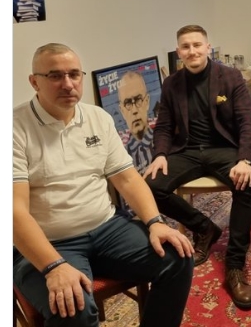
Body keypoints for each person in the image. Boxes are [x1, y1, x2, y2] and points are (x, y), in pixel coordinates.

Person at [13, 43, 194, 327]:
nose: (68, 84)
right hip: (48, 242)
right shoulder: (13, 128)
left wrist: (155, 222)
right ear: (34, 81)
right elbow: (14, 211)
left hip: (107, 229)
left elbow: (128, 178)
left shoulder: (98, 117)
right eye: (55, 76)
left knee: (178, 257)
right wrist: (54, 266)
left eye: (74, 74)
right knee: (72, 307)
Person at [144, 24, 251, 310]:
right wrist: (160, 154)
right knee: (150, 186)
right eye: (186, 46)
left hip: (224, 149)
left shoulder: (230, 77)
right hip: (187, 150)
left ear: (208, 47)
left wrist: (245, 160)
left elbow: (248, 120)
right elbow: (164, 125)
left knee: (246, 184)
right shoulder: (172, 83)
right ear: (179, 52)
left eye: (197, 45)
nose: (192, 51)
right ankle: (205, 227)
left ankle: (235, 266)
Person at [118, 71, 155, 175]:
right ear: (122, 111)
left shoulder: (162, 139)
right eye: (128, 103)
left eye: (138, 100)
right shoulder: (122, 155)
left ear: (147, 102)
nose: (134, 110)